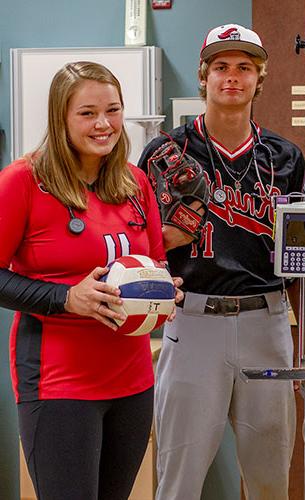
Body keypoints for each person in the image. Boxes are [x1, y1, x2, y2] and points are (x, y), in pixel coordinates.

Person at [138, 23, 305, 500]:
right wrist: (163, 238)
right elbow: (135, 248)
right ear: (204, 77)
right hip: (193, 319)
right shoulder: (164, 152)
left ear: (260, 78)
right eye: (221, 67)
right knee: (178, 481)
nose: (231, 77)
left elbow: (299, 259)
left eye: (244, 67)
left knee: (269, 481)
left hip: (268, 320)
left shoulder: (285, 157)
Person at [0, 61, 182, 500]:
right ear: (61, 117)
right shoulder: (24, 180)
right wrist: (66, 297)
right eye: (87, 113)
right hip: (59, 380)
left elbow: (155, 262)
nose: (103, 124)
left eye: (113, 110)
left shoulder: (136, 183)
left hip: (132, 380)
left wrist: (164, 294)